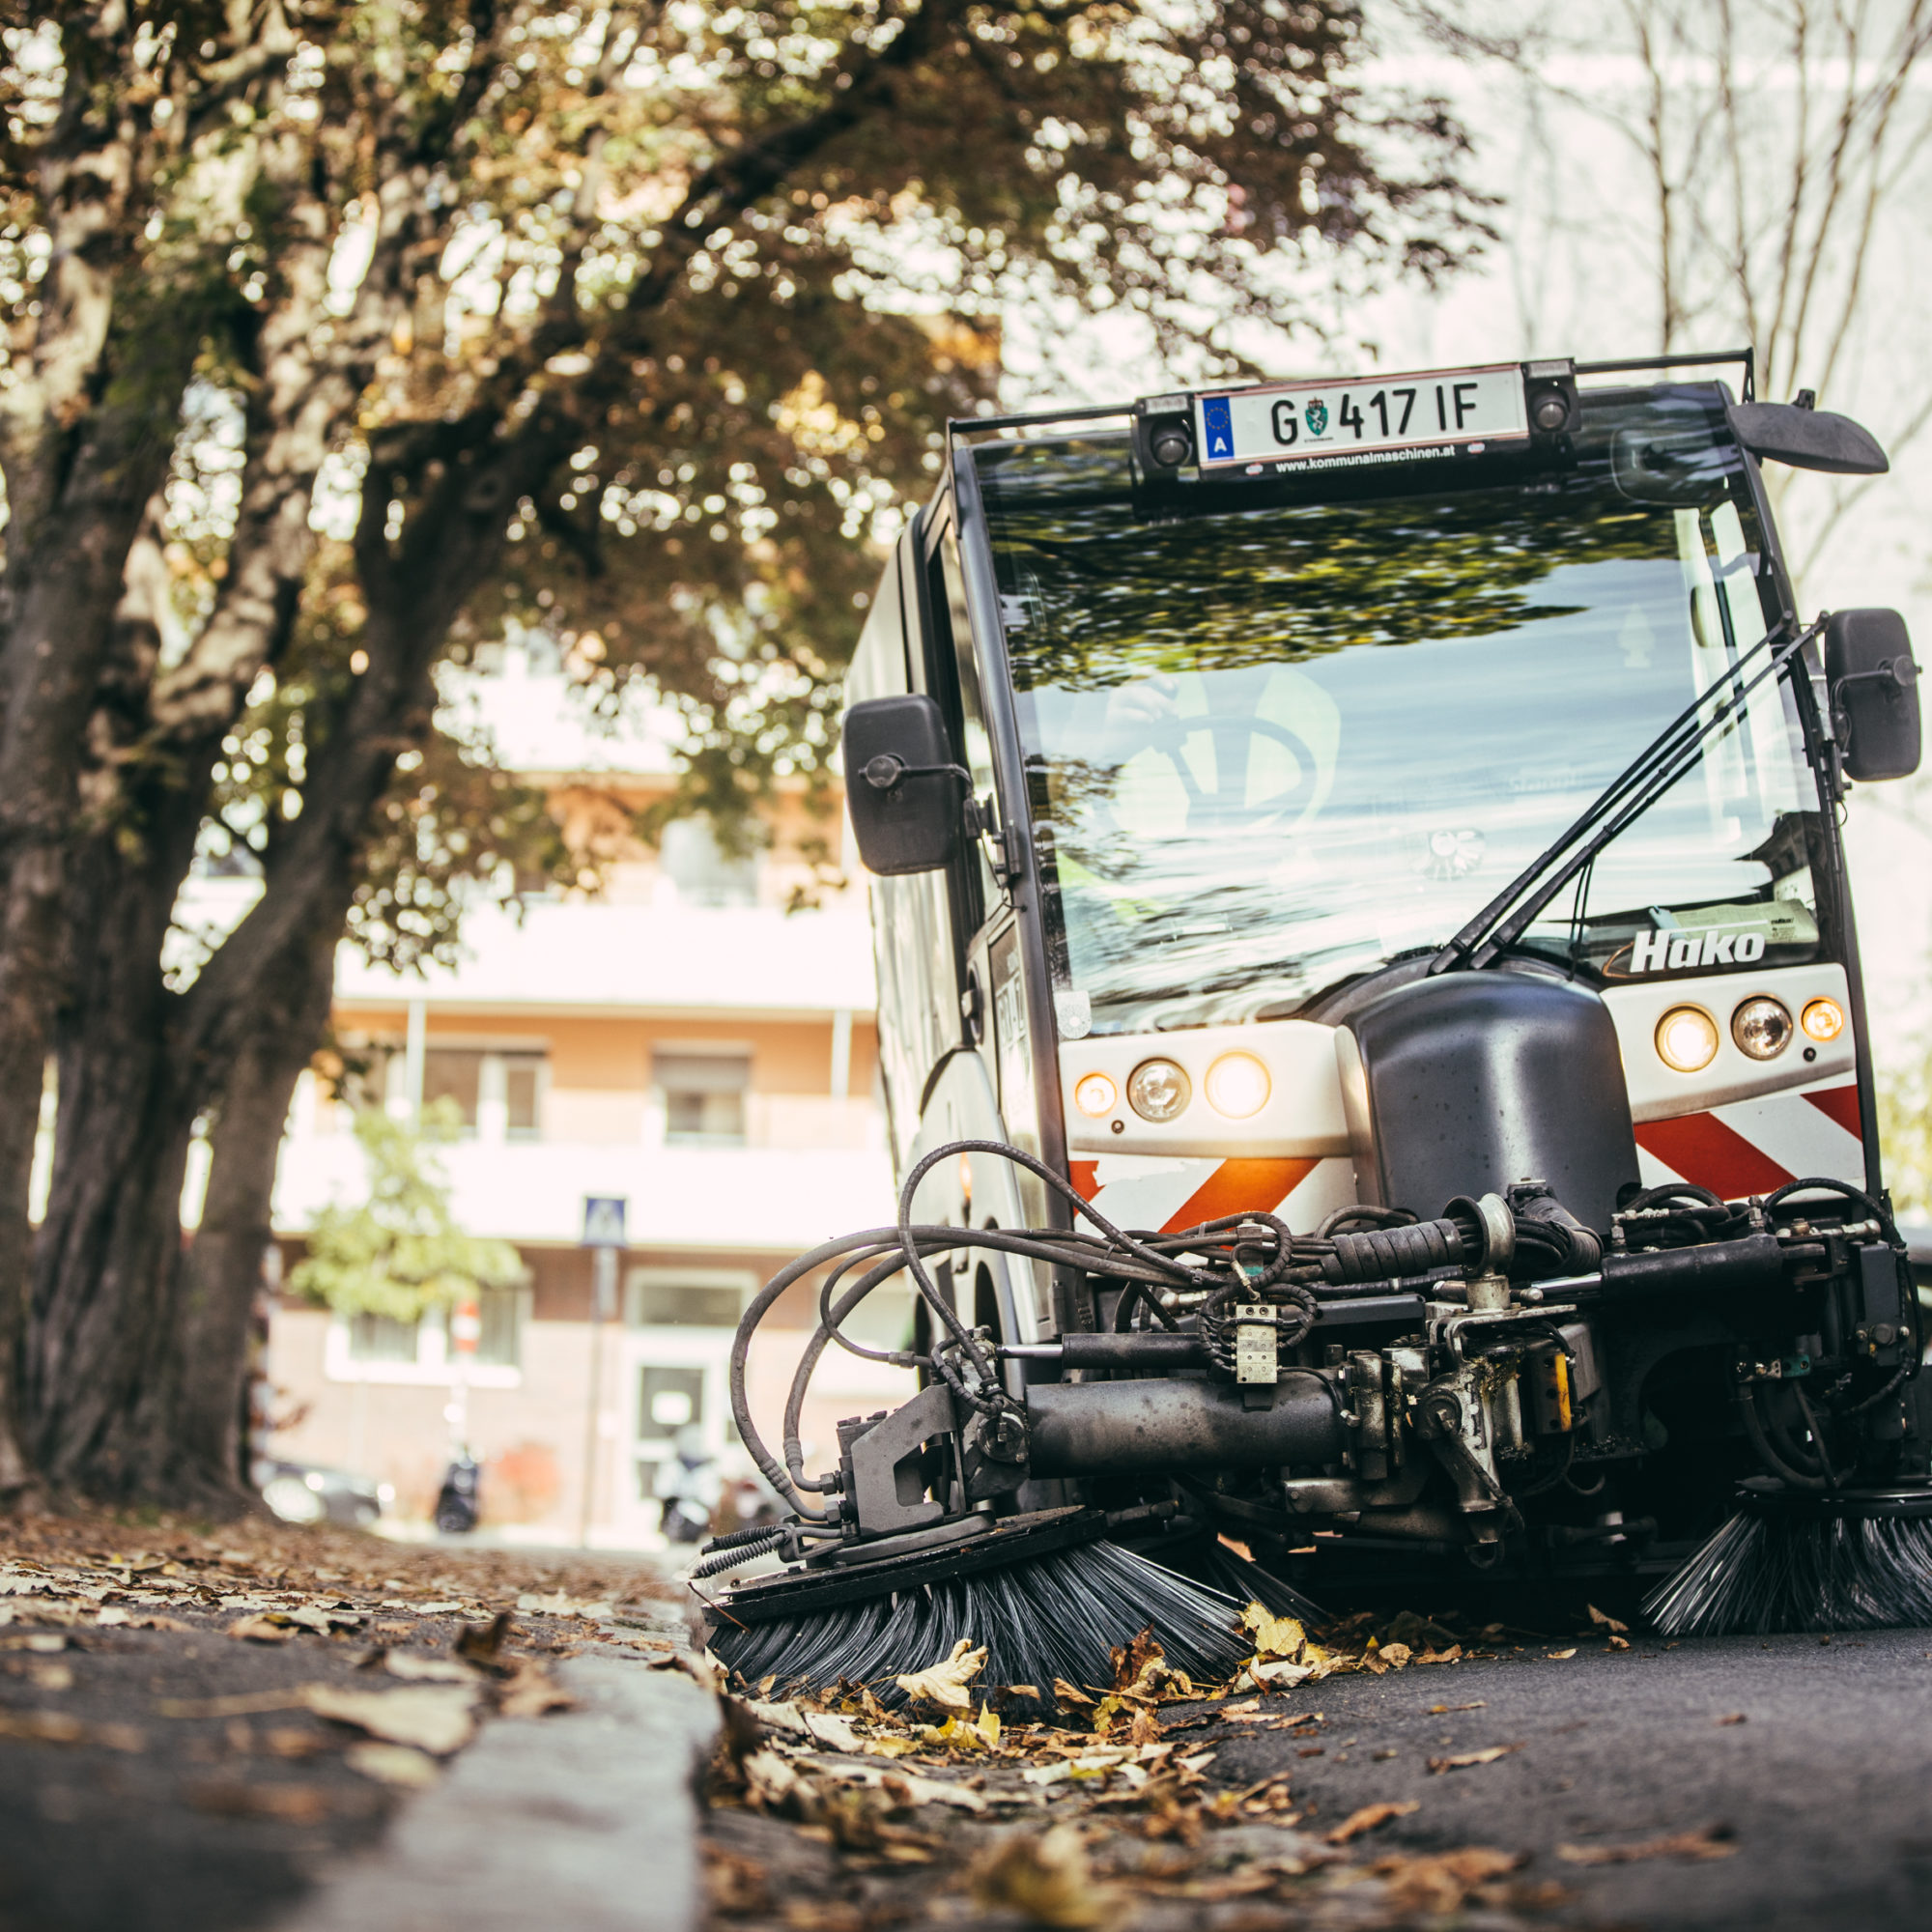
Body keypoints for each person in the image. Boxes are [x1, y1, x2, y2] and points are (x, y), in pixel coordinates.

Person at [656, 1425, 723, 1544]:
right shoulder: (672, 1466)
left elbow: (711, 1500)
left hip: (697, 1523)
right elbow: (663, 1492)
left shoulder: (707, 1471)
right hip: (675, 1522)